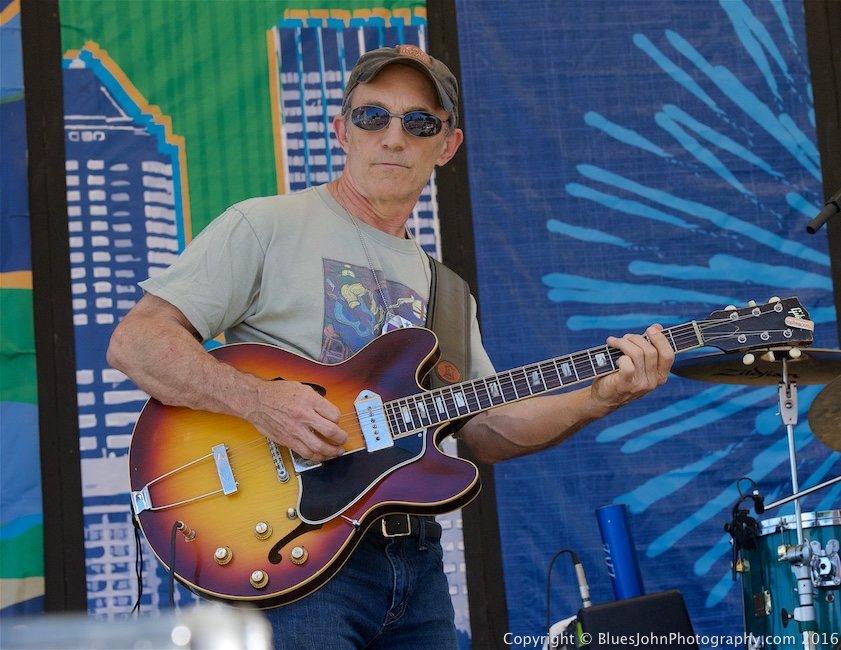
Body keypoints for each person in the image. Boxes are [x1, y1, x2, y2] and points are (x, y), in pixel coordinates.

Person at [107, 44, 675, 649]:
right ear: (341, 130)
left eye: (419, 122)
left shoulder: (449, 294)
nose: (393, 137)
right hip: (288, 557)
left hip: (416, 568)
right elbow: (138, 342)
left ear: (447, 145)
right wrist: (259, 402)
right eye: (372, 116)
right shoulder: (265, 225)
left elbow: (483, 429)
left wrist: (600, 397)